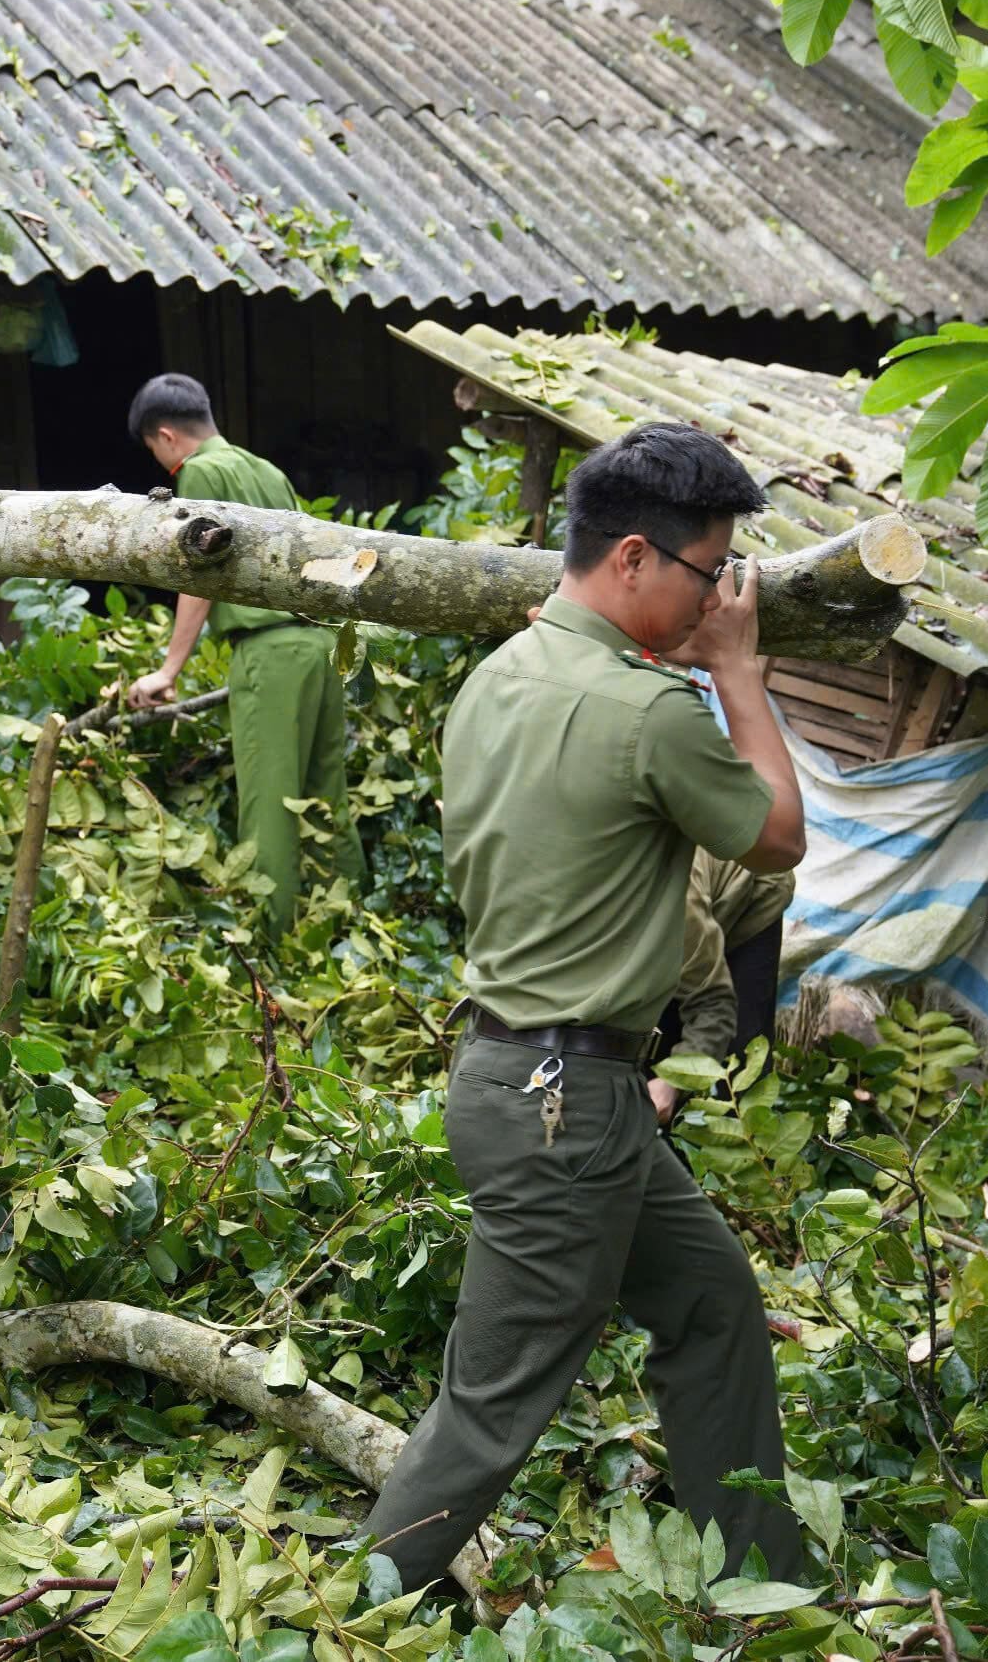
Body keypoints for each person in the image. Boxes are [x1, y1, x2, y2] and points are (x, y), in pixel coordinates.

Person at [361, 422, 807, 1594]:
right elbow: (775, 836)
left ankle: (759, 1584)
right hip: (568, 1108)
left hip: (536, 1089)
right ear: (631, 558)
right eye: (707, 573)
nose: (716, 598)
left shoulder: (500, 677)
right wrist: (740, 676)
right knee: (492, 1407)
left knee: (713, 1305)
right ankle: (341, 1614)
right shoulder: (649, 711)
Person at [122, 373, 363, 936]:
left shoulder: (201, 472)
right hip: (318, 645)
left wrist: (168, 669)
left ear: (165, 437)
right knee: (328, 794)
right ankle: (355, 929)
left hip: (269, 654)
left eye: (155, 453)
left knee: (270, 806)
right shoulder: (267, 471)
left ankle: (268, 947)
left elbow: (199, 575)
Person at [659, 849, 797, 1081]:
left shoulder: (678, 905)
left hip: (752, 882)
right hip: (678, 912)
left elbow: (712, 1003)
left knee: (744, 1055)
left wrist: (674, 1081)